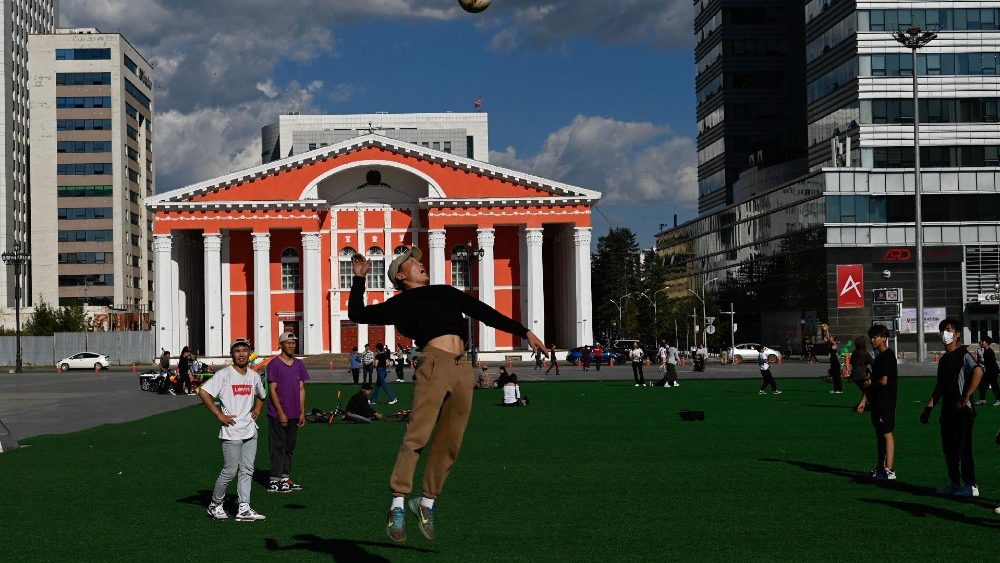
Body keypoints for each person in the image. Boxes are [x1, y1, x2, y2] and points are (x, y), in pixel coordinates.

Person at [348, 246, 545, 543]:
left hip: (462, 368)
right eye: (413, 262)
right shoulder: (400, 303)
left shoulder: (445, 291)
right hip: (434, 363)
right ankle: (398, 503)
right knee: (418, 435)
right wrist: (360, 279)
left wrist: (524, 331)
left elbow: (484, 313)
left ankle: (426, 503)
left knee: (451, 440)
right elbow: (357, 314)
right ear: (401, 275)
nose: (420, 263)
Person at [197, 338, 267, 522]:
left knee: (247, 470)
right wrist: (219, 415)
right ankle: (215, 504)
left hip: (250, 430)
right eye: (238, 351)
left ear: (249, 352)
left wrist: (257, 409)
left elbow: (262, 395)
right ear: (232, 354)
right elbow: (203, 392)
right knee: (230, 471)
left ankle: (244, 508)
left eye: (245, 350)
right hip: (231, 430)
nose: (242, 354)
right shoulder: (224, 375)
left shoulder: (253, 376)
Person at [919, 318, 983, 497]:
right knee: (949, 449)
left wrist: (966, 396)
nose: (943, 334)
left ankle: (971, 486)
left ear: (957, 334)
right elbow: (940, 386)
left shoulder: (963, 354)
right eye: (942, 330)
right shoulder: (944, 359)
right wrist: (929, 408)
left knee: (963, 448)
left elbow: (978, 371)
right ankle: (955, 483)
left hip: (963, 410)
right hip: (947, 410)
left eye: (947, 330)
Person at [266, 332, 310, 494]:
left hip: (294, 413)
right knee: (278, 446)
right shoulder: (274, 364)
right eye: (288, 342)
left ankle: (285, 478)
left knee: (290, 447)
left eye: (293, 343)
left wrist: (302, 412)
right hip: (278, 414)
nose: (291, 345)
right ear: (280, 345)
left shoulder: (298, 364)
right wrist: (280, 412)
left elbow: (301, 388)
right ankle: (274, 480)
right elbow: (272, 389)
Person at [856, 324, 897, 481]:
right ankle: (880, 468)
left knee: (886, 433)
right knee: (879, 434)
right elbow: (872, 381)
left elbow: (884, 381)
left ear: (884, 338)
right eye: (871, 337)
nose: (873, 340)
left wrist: (869, 385)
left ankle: (890, 469)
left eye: (876, 337)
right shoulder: (878, 357)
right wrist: (864, 400)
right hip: (876, 402)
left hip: (886, 401)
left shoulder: (888, 356)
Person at [975, 336, 1000, 406]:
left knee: (994, 385)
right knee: (983, 385)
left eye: (983, 341)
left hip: (992, 371)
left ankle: (998, 400)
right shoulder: (984, 351)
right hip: (988, 371)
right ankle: (982, 400)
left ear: (987, 343)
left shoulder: (989, 352)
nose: (981, 342)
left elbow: (990, 364)